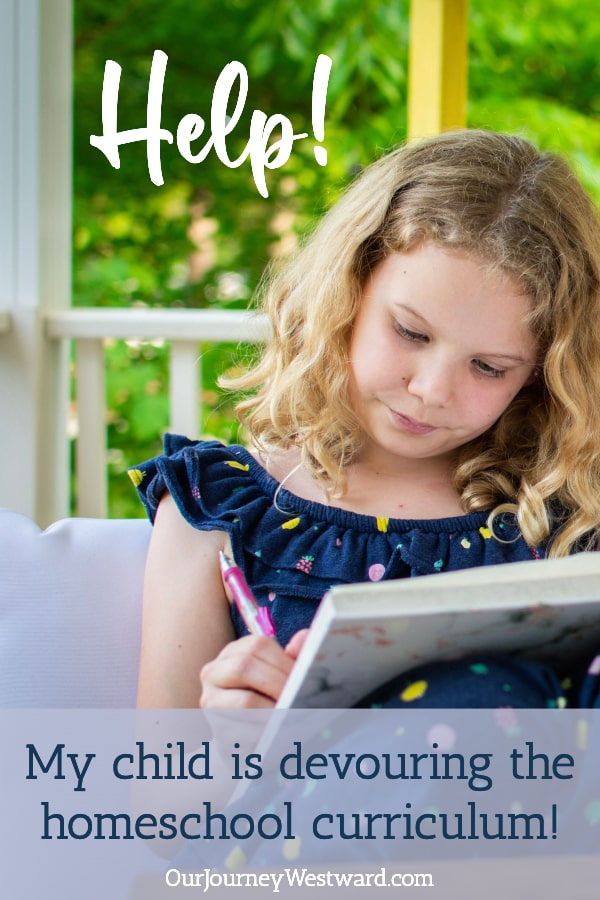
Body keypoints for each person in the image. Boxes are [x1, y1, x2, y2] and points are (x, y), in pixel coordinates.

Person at [130, 129, 600, 711]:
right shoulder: (219, 509)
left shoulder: (570, 520)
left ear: (538, 373)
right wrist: (231, 752)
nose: (430, 391)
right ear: (345, 295)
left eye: (488, 366)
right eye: (410, 332)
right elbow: (161, 796)